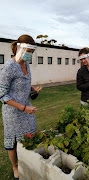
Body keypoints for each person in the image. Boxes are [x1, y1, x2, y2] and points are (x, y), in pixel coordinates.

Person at [0, 34, 42, 180]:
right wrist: (23, 108)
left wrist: (32, 88)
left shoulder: (26, 64)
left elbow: (21, 84)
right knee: (13, 142)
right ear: (19, 48)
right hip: (13, 113)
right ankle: (15, 167)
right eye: (29, 51)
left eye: (32, 52)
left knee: (30, 137)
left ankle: (27, 161)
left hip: (26, 109)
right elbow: (2, 95)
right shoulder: (8, 67)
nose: (30, 55)